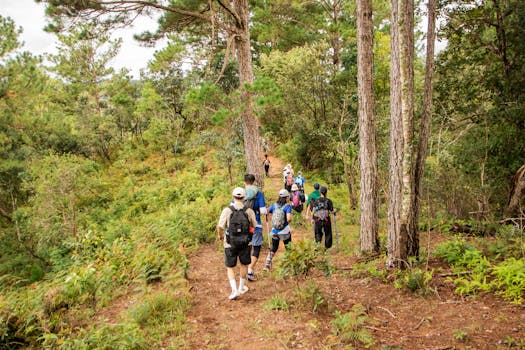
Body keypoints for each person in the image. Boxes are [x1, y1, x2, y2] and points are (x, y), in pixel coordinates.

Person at [217, 187, 257, 300]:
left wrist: (221, 236)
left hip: (230, 243)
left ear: (233, 197)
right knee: (244, 264)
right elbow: (254, 225)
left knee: (230, 267)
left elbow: (220, 226)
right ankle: (241, 287)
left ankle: (234, 290)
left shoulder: (227, 210)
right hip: (245, 243)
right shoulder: (248, 211)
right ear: (244, 198)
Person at [243, 174, 267, 282]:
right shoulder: (259, 193)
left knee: (245, 247)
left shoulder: (240, 193)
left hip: (243, 225)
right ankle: (250, 270)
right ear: (253, 181)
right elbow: (262, 210)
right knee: (256, 247)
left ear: (245, 182)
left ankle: (243, 271)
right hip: (256, 224)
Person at [263, 189, 293, 271]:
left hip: (274, 231)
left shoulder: (274, 205)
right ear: (286, 197)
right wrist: (289, 221)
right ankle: (290, 265)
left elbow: (266, 212)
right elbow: (289, 218)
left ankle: (266, 265)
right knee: (289, 248)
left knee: (274, 248)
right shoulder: (287, 206)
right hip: (285, 231)